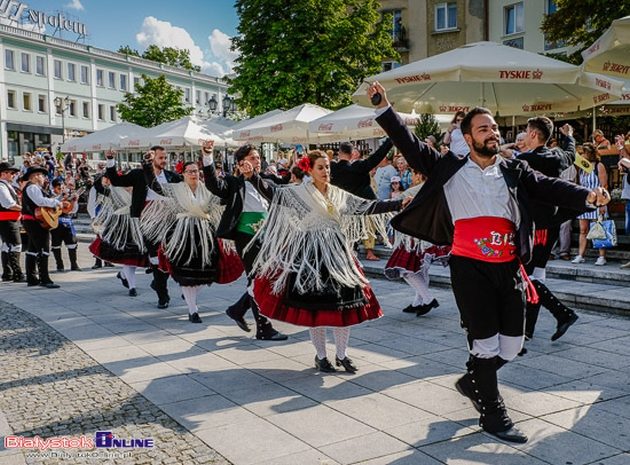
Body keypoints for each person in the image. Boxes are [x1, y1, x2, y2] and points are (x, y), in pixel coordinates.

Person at [368, 81, 609, 444]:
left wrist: (587, 194)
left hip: (508, 265)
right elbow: (410, 145)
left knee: (511, 346)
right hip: (469, 267)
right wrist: (385, 108)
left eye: (495, 127)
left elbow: (549, 186)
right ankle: (493, 415)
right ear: (468, 136)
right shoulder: (449, 168)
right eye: (484, 128)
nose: (493, 132)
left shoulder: (513, 169)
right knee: (483, 343)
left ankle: (474, 381)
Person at [249, 150, 406, 373]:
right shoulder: (298, 193)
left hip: (339, 255)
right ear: (309, 170)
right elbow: (273, 194)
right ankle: (321, 356)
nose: (326, 171)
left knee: (344, 306)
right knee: (317, 310)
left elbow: (367, 206)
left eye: (328, 167)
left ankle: (342, 354)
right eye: (320, 167)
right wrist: (252, 178)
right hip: (311, 256)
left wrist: (398, 204)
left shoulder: (339, 194)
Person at [202, 142, 287, 341]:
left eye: (258, 158)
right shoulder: (233, 183)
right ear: (240, 164)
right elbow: (214, 185)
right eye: (252, 158)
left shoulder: (267, 180)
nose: (256, 161)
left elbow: (275, 196)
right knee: (257, 278)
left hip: (268, 234)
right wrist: (207, 158)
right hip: (246, 235)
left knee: (265, 278)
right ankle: (263, 327)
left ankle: (238, 309)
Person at [142, 159, 244, 323]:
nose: (193, 174)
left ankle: (190, 294)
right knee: (186, 275)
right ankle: (192, 310)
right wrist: (148, 168)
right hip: (182, 235)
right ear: (183, 174)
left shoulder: (208, 190)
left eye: (196, 171)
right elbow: (156, 187)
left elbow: (223, 199)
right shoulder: (175, 189)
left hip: (206, 235)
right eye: (190, 171)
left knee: (207, 273)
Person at [514, 117, 580, 345]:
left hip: (534, 227)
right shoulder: (556, 156)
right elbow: (571, 153)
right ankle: (528, 331)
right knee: (536, 276)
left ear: (533, 134)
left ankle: (562, 313)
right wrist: (569, 135)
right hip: (551, 225)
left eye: (525, 131)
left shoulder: (524, 160)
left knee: (527, 276)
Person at [106, 146, 182, 308]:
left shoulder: (172, 176)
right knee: (155, 256)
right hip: (147, 220)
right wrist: (111, 160)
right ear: (151, 158)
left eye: (165, 157)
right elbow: (116, 181)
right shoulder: (138, 174)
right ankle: (162, 294)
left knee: (171, 256)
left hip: (169, 220)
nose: (164, 161)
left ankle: (158, 282)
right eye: (161, 157)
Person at [384, 169, 450, 315]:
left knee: (405, 269)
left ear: (419, 175)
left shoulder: (412, 191)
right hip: (430, 233)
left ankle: (428, 299)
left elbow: (397, 207)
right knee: (420, 268)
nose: (412, 177)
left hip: (413, 235)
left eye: (413, 174)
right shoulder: (438, 188)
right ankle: (418, 302)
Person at [330, 139, 393, 261]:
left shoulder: (333, 168)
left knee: (346, 237)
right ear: (352, 153)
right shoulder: (358, 167)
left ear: (339, 152)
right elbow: (377, 157)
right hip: (361, 207)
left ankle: (346, 257)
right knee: (357, 233)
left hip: (341, 209)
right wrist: (389, 141)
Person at [89, 174, 147, 297]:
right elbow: (98, 187)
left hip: (136, 224)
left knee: (133, 257)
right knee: (128, 256)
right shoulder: (113, 191)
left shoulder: (138, 190)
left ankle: (124, 276)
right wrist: (107, 172)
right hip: (119, 226)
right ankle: (132, 286)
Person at [20, 166, 63, 288]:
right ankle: (44, 279)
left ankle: (32, 278)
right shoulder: (33, 187)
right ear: (35, 176)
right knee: (44, 249)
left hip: (32, 221)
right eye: (42, 175)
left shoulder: (32, 187)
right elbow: (40, 201)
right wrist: (55, 202)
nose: (44, 178)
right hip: (35, 222)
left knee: (32, 250)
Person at [572, 143, 609, 266]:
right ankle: (581, 255)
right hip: (585, 202)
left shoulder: (599, 166)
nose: (581, 155)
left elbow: (604, 186)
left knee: (598, 227)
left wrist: (603, 204)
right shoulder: (582, 168)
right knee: (583, 229)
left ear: (589, 154)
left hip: (598, 201)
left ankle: (601, 256)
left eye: (583, 153)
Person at [50, 179, 82, 272]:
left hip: (67, 222)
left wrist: (75, 201)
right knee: (56, 245)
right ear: (54, 188)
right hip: (55, 223)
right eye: (59, 187)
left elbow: (73, 210)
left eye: (63, 187)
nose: (61, 189)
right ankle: (59, 265)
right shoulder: (51, 197)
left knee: (72, 243)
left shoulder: (68, 197)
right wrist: (61, 198)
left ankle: (74, 264)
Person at [0, 162, 24, 282]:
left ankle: (7, 272)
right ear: (3, 174)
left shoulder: (6, 186)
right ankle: (17, 273)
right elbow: (9, 204)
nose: (13, 175)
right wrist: (26, 209)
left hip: (9, 219)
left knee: (6, 246)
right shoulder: (1, 186)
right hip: (7, 219)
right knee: (15, 245)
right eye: (11, 173)